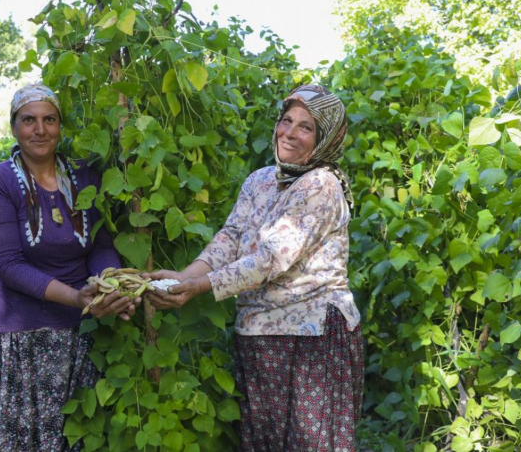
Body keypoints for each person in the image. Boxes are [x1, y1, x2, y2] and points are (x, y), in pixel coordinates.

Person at [148, 85, 364, 452]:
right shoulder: (261, 180)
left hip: (312, 338)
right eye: (286, 121)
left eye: (306, 127)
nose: (289, 133)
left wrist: (200, 287)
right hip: (259, 337)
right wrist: (184, 276)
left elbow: (271, 258)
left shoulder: (321, 185)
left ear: (326, 137)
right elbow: (231, 238)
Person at [0, 83, 138, 452]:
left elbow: (101, 243)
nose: (40, 129)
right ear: (14, 127)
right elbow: (7, 264)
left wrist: (108, 284)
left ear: (61, 125)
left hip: (78, 333)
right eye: (29, 120)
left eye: (49, 119)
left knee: (71, 435)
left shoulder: (85, 177)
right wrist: (79, 297)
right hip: (18, 335)